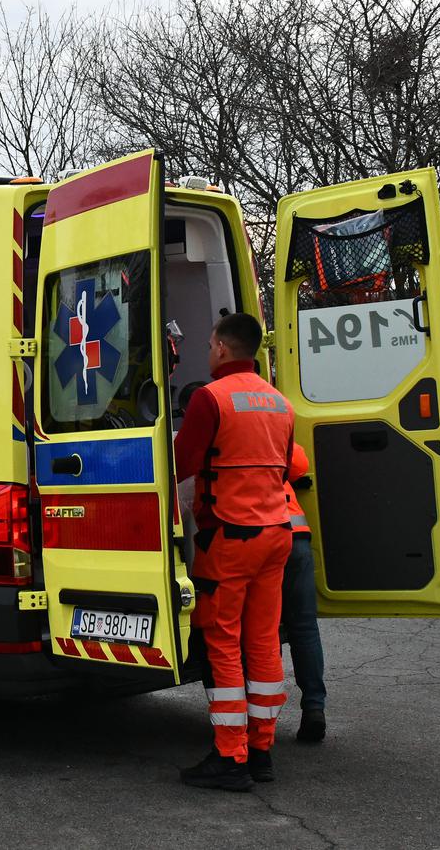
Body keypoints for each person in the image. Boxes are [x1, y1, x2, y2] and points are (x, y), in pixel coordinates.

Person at [173, 312, 295, 791]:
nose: (207, 352)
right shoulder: (280, 403)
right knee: (262, 641)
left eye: (209, 345)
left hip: (230, 536)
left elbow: (181, 463)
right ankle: (262, 749)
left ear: (222, 348)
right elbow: (282, 467)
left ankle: (231, 756)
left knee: (222, 643)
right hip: (276, 533)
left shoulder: (211, 397)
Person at [283, 443, 327, 742]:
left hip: (253, 535)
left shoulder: (222, 425)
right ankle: (314, 707)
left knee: (262, 631)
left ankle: (258, 717)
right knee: (304, 626)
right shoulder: (276, 422)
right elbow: (298, 464)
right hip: (296, 536)